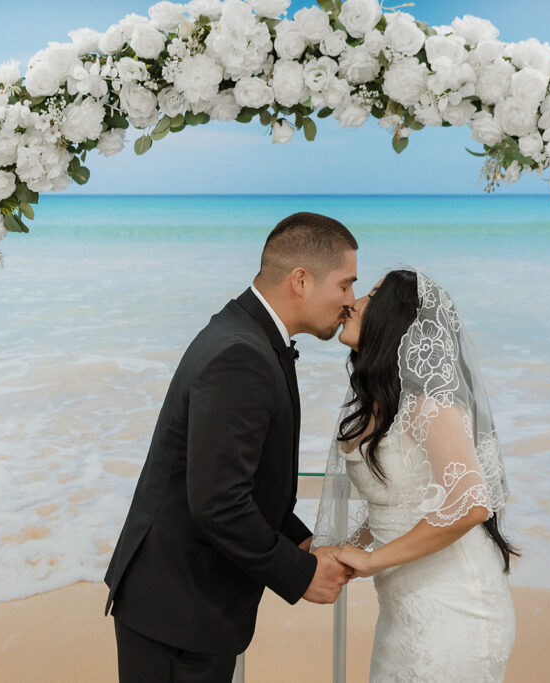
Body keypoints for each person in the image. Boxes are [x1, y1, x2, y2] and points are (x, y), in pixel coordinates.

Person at [103, 212, 358, 682]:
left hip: (188, 607)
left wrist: (300, 538)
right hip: (177, 613)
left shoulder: (251, 335)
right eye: (345, 285)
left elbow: (248, 478)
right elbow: (219, 503)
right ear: (301, 280)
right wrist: (300, 574)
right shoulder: (241, 354)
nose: (351, 301)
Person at [314, 268, 520, 682]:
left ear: (396, 319)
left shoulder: (431, 406)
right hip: (404, 609)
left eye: (371, 295)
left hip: (455, 607)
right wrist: (339, 551)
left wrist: (372, 560)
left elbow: (470, 504)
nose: (353, 301)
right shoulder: (383, 404)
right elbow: (400, 505)